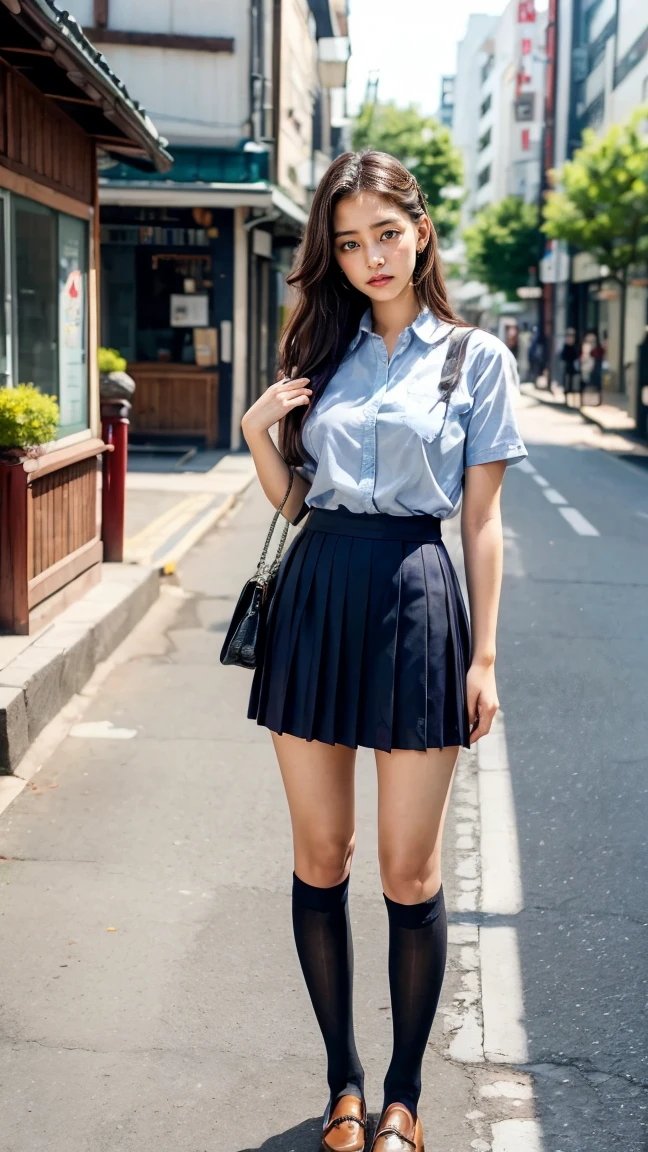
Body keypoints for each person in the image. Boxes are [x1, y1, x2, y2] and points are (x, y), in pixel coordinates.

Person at [241, 151, 528, 1152]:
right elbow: (298, 504)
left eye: (387, 234)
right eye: (351, 241)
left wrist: (483, 658)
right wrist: (256, 436)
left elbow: (483, 524)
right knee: (322, 857)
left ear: (421, 232)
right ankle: (346, 1087)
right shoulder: (314, 346)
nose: (371, 257)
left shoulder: (475, 360)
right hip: (319, 595)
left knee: (408, 872)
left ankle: (406, 1090)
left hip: (417, 597)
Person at [559, 327, 580, 400]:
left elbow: (577, 356)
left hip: (574, 367)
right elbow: (563, 356)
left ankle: (573, 398)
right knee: (567, 382)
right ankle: (566, 398)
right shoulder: (566, 346)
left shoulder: (576, 345)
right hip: (567, 367)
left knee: (574, 383)